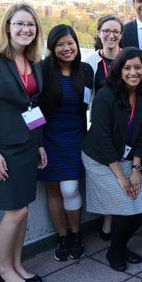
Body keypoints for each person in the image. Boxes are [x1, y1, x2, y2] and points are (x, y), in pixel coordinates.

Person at [0, 3, 47, 282]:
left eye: (30, 25)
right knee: (14, 213)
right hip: (3, 150)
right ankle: (5, 270)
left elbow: (32, 106)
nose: (25, 29)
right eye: (19, 24)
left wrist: (40, 143)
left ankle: (17, 264)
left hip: (29, 146)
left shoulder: (34, 61)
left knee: (24, 210)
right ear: (7, 26)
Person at [81, 48, 142, 272]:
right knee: (125, 206)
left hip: (127, 157)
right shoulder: (105, 95)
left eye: (138, 67)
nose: (133, 72)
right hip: (100, 159)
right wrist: (121, 176)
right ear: (119, 70)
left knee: (140, 211)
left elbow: (141, 134)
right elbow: (102, 139)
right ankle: (115, 251)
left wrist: (136, 169)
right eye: (127, 68)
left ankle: (120, 246)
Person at [38, 25, 93, 261]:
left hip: (75, 138)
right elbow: (32, 109)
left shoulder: (87, 71)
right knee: (53, 191)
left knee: (70, 189)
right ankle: (62, 237)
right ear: (52, 47)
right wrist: (38, 142)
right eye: (60, 44)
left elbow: (90, 106)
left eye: (70, 42)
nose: (66, 48)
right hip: (47, 139)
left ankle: (77, 234)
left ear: (76, 44)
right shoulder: (41, 71)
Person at [85, 14, 124, 241]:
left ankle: (121, 220)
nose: (111, 35)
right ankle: (108, 220)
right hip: (101, 128)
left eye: (115, 32)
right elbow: (86, 100)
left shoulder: (127, 58)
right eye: (106, 31)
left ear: (121, 35)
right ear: (99, 33)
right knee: (110, 177)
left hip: (125, 126)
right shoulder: (90, 63)